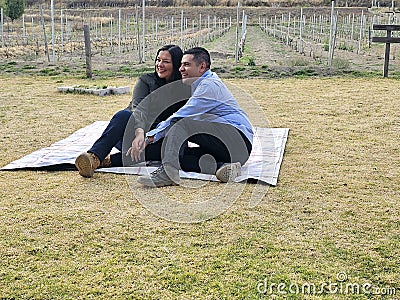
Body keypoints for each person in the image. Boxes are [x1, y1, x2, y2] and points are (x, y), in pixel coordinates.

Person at [136, 47, 254, 187]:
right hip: (232, 150)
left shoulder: (209, 86)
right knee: (180, 157)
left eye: (186, 65)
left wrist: (149, 137)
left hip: (237, 139)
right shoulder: (200, 84)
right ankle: (224, 167)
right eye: (180, 64)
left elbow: (180, 117)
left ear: (202, 66)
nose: (180, 69)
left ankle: (168, 174)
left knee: (180, 123)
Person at [75, 44, 189, 178]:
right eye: (158, 60)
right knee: (123, 115)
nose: (160, 64)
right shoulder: (146, 81)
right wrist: (140, 133)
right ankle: (94, 157)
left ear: (176, 64)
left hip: (155, 139)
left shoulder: (184, 87)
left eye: (166, 61)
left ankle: (109, 161)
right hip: (133, 133)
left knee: (175, 148)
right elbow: (139, 109)